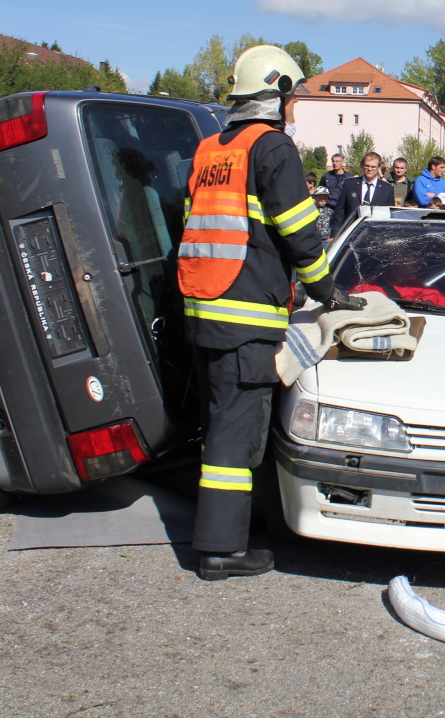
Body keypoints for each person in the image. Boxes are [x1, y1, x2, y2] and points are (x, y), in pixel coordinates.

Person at [178, 45, 363, 581]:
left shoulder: (211, 148)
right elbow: (300, 232)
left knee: (219, 422)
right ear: (276, 92)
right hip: (245, 317)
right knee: (237, 434)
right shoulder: (274, 149)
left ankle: (232, 530)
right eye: (293, 95)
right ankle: (221, 550)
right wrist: (327, 291)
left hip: (203, 308)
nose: (295, 106)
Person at [331, 151, 394, 232]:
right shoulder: (349, 184)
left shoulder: (387, 189)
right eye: (367, 166)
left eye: (373, 166)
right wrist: (334, 233)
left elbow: (389, 216)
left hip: (376, 233)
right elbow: (340, 211)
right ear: (362, 166)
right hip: (350, 231)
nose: (370, 169)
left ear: (378, 168)